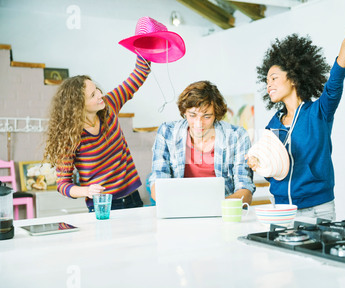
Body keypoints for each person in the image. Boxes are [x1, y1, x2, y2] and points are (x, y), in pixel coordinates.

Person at [248, 10, 345, 221]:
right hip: (281, 210)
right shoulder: (273, 124)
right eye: (267, 80)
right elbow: (275, 167)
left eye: (274, 78)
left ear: (293, 78)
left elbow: (334, 85)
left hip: (318, 209)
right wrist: (257, 161)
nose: (268, 84)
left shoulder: (319, 113)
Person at [43, 55, 151, 211]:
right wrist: (86, 191)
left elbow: (139, 73)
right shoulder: (70, 138)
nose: (100, 95)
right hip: (103, 206)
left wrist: (144, 49)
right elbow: (63, 184)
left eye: (97, 89)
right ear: (79, 106)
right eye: (93, 95)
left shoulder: (110, 105)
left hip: (133, 198)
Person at [148, 80, 255, 205]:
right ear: (184, 112)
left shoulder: (237, 136)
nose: (198, 124)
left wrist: (213, 206)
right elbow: (158, 182)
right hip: (179, 211)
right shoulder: (167, 133)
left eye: (207, 116)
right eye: (192, 115)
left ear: (216, 114)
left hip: (223, 212)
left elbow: (245, 189)